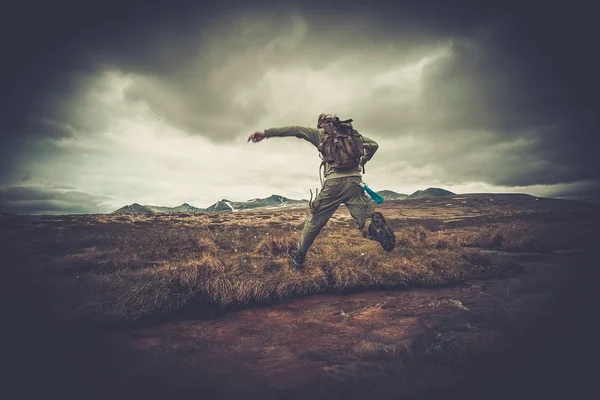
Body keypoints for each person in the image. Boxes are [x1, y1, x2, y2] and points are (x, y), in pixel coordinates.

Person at [248, 113, 396, 267]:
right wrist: (362, 162)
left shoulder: (319, 134)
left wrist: (266, 133)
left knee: (315, 220)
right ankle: (375, 228)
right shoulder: (350, 134)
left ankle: (299, 255)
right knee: (364, 220)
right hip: (355, 183)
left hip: (333, 185)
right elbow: (374, 145)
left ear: (321, 124)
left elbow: (295, 130)